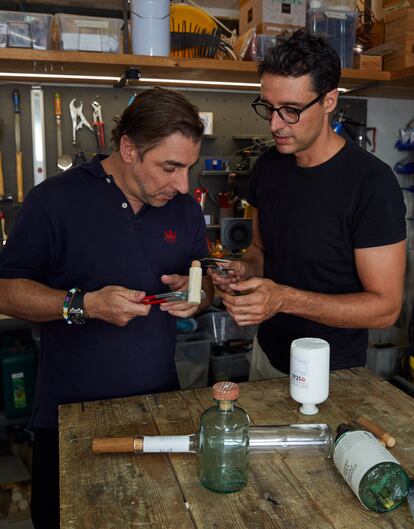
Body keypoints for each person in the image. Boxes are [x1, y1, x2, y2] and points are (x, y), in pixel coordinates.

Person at [0, 87, 213, 529]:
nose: (183, 184)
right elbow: (6, 291)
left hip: (159, 409)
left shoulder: (185, 212)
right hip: (68, 416)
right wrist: (85, 305)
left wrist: (198, 296)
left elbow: (205, 282)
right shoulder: (55, 201)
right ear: (129, 149)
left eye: (188, 168)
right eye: (170, 167)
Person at [210, 29, 406, 380]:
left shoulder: (372, 184)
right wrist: (244, 270)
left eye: (291, 111)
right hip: (266, 356)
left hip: (333, 374)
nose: (275, 124)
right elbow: (259, 250)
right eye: (268, 108)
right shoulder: (268, 166)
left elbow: (385, 309)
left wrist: (283, 299)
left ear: (329, 101)